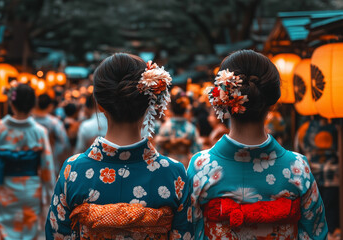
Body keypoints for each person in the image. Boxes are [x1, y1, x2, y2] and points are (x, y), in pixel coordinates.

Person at [45, 53, 192, 239]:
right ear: (150, 102)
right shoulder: (173, 173)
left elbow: (57, 235)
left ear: (99, 105)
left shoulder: (73, 171)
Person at [187, 50, 328, 239]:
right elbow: (316, 234)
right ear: (272, 100)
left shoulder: (200, 167)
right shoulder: (298, 167)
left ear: (222, 100)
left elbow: (189, 233)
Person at [0, 84, 55, 239]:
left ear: (11, 103)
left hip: (3, 187)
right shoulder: (39, 132)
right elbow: (47, 166)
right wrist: (50, 193)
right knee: (29, 233)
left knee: (4, 232)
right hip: (31, 189)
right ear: (33, 105)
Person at [156, 87, 201, 168]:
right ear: (185, 108)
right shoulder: (191, 129)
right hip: (186, 165)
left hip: (168, 165)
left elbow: (158, 151)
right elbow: (197, 152)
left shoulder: (165, 127)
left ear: (170, 107)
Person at [32, 93, 70, 174]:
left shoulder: (30, 121)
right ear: (50, 106)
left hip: (31, 166)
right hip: (51, 164)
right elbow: (64, 143)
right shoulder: (55, 123)